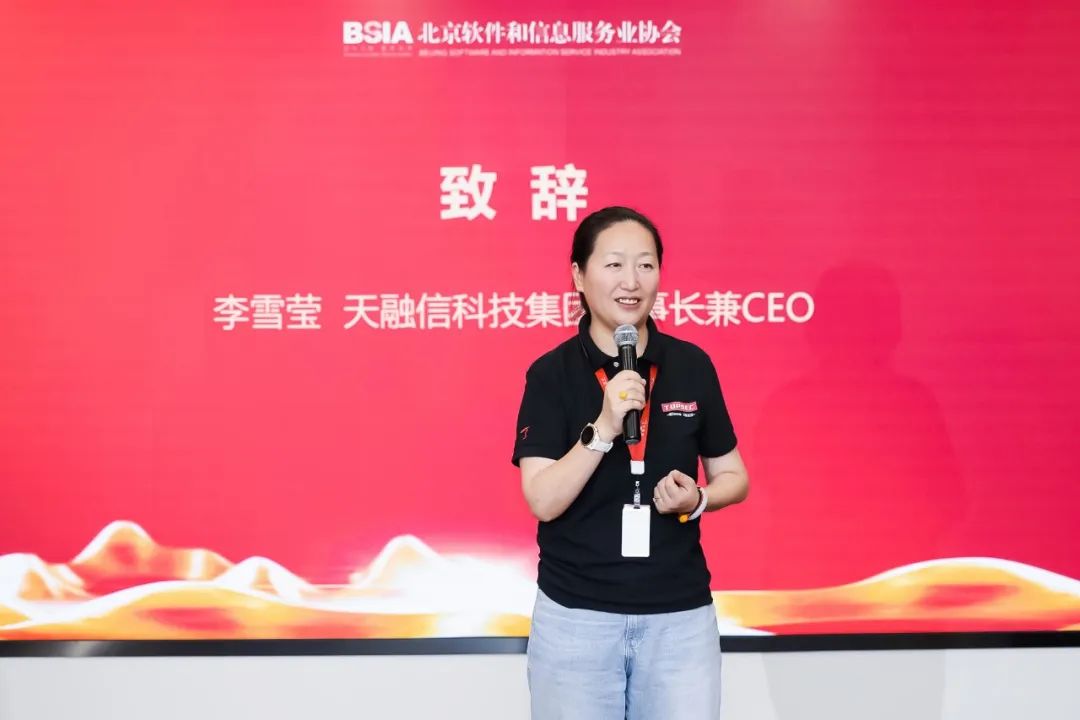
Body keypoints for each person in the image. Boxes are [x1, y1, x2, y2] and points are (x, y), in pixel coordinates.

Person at [512, 206, 750, 720]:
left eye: (646, 265)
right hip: (576, 618)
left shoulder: (691, 364)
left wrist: (699, 499)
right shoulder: (550, 374)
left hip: (679, 620)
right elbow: (543, 500)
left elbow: (734, 476)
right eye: (614, 264)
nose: (632, 281)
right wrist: (603, 428)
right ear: (579, 276)